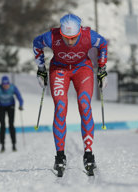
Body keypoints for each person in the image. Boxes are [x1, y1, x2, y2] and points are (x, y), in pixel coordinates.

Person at [33, 13, 108, 175]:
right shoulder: (51, 37)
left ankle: (88, 154)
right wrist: (41, 69)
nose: (70, 41)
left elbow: (103, 44)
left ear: (79, 32)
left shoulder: (89, 36)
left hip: (83, 69)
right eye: (66, 37)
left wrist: (102, 69)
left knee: (84, 104)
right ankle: (60, 156)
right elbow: (36, 44)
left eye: (73, 37)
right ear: (60, 32)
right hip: (59, 70)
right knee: (60, 107)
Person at [0, 76, 24, 153]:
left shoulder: (13, 87)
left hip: (11, 105)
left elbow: (19, 97)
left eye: (7, 84)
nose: (5, 86)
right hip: (0, 106)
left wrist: (21, 105)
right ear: (2, 84)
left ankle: (14, 144)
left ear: (9, 83)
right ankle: (2, 145)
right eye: (4, 85)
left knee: (11, 124)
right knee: (2, 125)